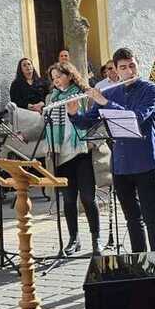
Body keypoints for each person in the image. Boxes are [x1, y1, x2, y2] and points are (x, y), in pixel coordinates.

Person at [70, 47, 155, 253]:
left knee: (152, 218)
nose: (129, 71)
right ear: (115, 70)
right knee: (132, 219)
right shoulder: (111, 91)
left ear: (137, 65)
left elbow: (137, 117)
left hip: (145, 162)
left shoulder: (151, 89)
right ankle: (140, 262)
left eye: (132, 66)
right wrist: (74, 114)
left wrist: (105, 102)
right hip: (120, 165)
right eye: (124, 67)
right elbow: (87, 122)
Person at [43, 61, 100, 255]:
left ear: (69, 75)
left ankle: (96, 239)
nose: (56, 81)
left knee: (87, 198)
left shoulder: (84, 93)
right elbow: (44, 122)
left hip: (82, 152)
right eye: (53, 78)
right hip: (62, 154)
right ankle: (74, 239)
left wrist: (93, 142)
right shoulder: (52, 98)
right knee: (68, 200)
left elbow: (95, 120)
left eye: (59, 76)